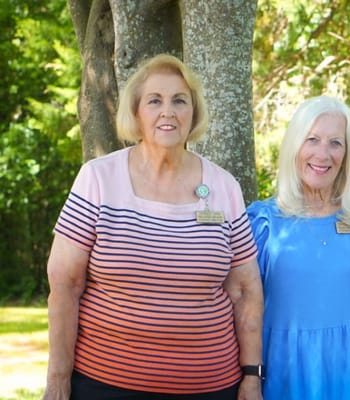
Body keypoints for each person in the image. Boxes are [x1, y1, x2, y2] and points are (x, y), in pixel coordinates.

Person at [43, 54, 264, 400]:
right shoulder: (98, 178)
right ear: (136, 113)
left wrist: (252, 376)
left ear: (194, 112)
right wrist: (57, 380)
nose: (168, 111)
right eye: (154, 101)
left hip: (208, 386)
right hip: (104, 384)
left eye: (180, 100)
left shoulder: (224, 187)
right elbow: (65, 285)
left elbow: (245, 292)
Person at [246, 95, 350, 400]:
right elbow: (244, 307)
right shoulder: (264, 222)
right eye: (313, 139)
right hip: (284, 369)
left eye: (335, 143)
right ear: (295, 146)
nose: (323, 154)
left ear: (347, 154)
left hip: (348, 369)